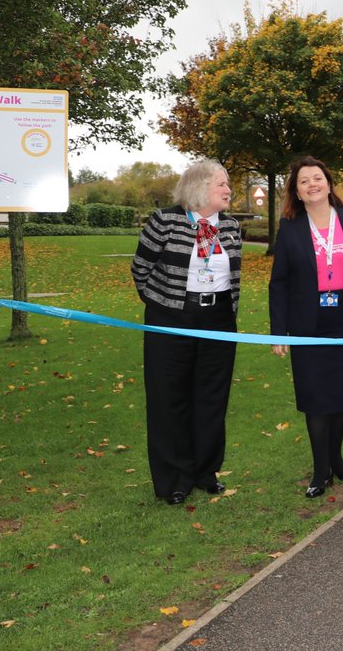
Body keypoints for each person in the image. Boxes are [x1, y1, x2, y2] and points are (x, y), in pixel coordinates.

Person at [269, 156, 343, 498]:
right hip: (308, 324)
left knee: (342, 394)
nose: (312, 184)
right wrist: (279, 330)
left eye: (317, 177)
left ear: (329, 183)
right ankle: (320, 470)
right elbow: (279, 283)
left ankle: (336, 460)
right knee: (315, 396)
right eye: (304, 181)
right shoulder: (291, 227)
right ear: (297, 192)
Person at [131, 159, 241, 506]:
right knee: (169, 399)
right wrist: (164, 305)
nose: (228, 190)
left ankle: (205, 473)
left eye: (227, 185)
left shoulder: (231, 226)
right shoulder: (165, 220)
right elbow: (141, 270)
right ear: (198, 187)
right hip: (171, 320)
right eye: (221, 184)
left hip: (219, 319)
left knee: (211, 398)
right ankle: (173, 479)